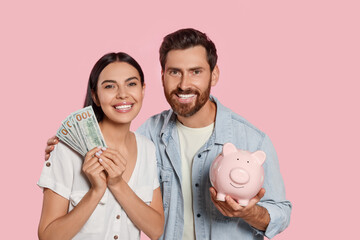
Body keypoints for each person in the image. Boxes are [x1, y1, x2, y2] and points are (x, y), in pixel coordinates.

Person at [45, 29, 292, 239]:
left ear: (214, 75)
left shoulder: (252, 139)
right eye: (175, 72)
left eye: (196, 71)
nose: (184, 84)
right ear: (162, 77)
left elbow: (281, 212)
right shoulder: (148, 135)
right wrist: (69, 145)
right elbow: (112, 141)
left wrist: (248, 212)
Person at [38, 52, 164, 240]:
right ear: (95, 96)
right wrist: (96, 192)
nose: (122, 94)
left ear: (143, 90)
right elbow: (48, 236)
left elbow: (156, 230)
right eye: (110, 86)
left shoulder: (148, 148)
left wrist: (117, 184)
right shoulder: (66, 150)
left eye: (131, 84)